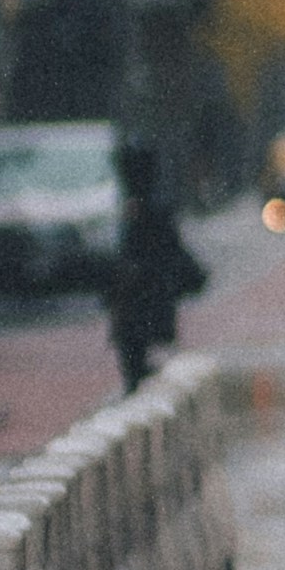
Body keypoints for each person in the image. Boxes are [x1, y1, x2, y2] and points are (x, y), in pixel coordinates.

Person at [108, 138, 206, 396]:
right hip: (142, 289)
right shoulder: (142, 205)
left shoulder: (143, 207)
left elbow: (161, 246)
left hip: (141, 289)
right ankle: (138, 379)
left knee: (134, 344)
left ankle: (138, 381)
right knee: (134, 345)